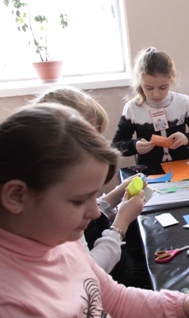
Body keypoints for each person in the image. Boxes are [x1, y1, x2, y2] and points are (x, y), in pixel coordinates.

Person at [0, 103, 189, 318]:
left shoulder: (62, 241)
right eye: (78, 201)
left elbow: (115, 298)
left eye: (94, 197)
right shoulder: (11, 303)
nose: (95, 212)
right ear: (16, 197)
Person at [34, 87, 144, 274]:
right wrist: (121, 224)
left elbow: (86, 210)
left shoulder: (63, 180)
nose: (96, 148)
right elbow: (89, 272)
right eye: (91, 141)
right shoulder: (52, 206)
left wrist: (117, 193)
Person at [112, 47, 189, 165]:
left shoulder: (183, 102)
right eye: (149, 88)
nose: (156, 94)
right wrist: (134, 145)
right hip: (150, 169)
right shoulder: (133, 108)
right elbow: (117, 145)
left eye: (163, 87)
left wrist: (187, 138)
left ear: (171, 80)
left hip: (182, 166)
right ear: (140, 82)